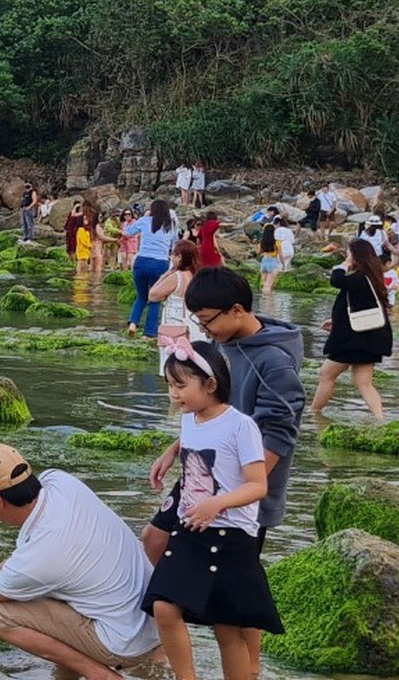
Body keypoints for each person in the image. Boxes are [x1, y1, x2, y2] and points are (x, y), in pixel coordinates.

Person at [171, 266, 305, 676]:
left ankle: (248, 669)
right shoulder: (230, 344)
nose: (205, 331)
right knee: (234, 598)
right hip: (203, 479)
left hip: (239, 498)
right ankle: (247, 668)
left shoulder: (274, 362)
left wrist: (238, 492)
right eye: (198, 322)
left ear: (236, 310)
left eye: (209, 321)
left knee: (236, 603)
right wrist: (174, 447)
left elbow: (279, 434)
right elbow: (213, 412)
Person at [0, 444, 163, 680]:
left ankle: (100, 675)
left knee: (1, 616)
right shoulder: (59, 481)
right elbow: (31, 560)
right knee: (50, 594)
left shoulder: (42, 555)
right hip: (153, 624)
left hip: (125, 642)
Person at [143, 339, 282, 680]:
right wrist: (171, 451)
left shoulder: (242, 427)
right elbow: (197, 435)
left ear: (210, 384)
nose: (173, 395)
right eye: (170, 386)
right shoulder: (191, 418)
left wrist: (216, 504)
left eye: (180, 386)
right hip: (190, 531)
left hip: (231, 536)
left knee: (228, 629)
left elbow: (258, 485)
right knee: (163, 606)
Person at [309, 239, 392, 421]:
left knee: (326, 375)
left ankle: (314, 413)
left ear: (357, 256)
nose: (347, 256)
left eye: (349, 253)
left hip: (352, 341)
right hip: (369, 339)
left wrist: (344, 264)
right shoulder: (371, 278)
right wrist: (336, 321)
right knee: (364, 383)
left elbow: (336, 279)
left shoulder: (360, 278)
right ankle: (380, 419)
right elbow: (360, 306)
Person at [124, 200, 178, 338]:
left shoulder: (145, 220)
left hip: (141, 261)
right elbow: (174, 244)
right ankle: (149, 333)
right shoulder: (170, 225)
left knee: (141, 296)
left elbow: (127, 232)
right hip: (160, 263)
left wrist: (145, 216)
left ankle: (133, 324)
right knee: (155, 299)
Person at [149, 240, 205, 369]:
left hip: (174, 330)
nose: (171, 257)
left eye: (173, 254)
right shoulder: (196, 276)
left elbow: (152, 296)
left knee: (173, 369)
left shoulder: (177, 277)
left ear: (179, 256)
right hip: (194, 327)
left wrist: (164, 276)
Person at [257, 218, 283, 294]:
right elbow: (280, 255)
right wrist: (283, 265)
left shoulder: (262, 242)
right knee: (268, 286)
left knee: (264, 284)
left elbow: (259, 252)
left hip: (264, 261)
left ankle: (265, 303)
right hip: (273, 262)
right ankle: (268, 303)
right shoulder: (277, 242)